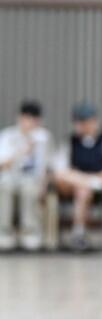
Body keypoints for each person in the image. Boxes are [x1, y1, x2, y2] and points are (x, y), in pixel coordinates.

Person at [52, 102, 102, 251]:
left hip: (99, 188)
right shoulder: (70, 141)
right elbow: (59, 169)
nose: (80, 126)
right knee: (66, 180)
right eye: (78, 122)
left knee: (83, 190)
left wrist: (98, 179)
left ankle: (78, 233)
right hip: (71, 185)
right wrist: (86, 180)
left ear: (93, 121)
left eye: (84, 122)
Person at [0, 100, 52, 251]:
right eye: (27, 118)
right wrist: (22, 151)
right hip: (9, 177)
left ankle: (30, 232)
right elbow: (2, 164)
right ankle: (4, 231)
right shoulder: (8, 135)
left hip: (32, 179)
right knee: (5, 188)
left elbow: (48, 166)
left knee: (29, 189)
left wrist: (45, 185)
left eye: (34, 119)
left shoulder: (44, 137)